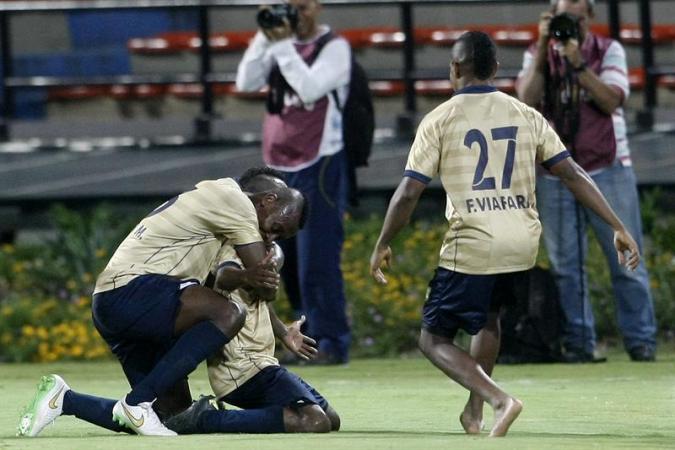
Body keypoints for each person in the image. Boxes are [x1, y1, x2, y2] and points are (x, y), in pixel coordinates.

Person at [369, 31, 640, 437]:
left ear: (454, 69)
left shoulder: (440, 119)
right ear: (496, 70)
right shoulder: (526, 113)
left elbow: (410, 191)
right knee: (489, 321)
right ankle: (475, 414)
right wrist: (618, 225)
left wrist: (383, 242)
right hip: (522, 243)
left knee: (432, 339)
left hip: (474, 241)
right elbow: (572, 173)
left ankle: (499, 400)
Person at [18, 168, 307, 437]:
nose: (272, 237)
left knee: (173, 417)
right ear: (267, 200)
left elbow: (239, 280)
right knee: (229, 313)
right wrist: (269, 262)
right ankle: (137, 402)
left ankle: (65, 400)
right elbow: (264, 284)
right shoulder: (238, 204)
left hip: (116, 303)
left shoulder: (215, 203)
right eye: (277, 227)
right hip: (134, 293)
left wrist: (281, 331)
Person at [516, 0, 656, 362]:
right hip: (555, 172)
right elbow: (526, 100)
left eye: (576, 18)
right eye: (564, 17)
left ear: (590, 17)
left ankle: (641, 341)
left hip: (608, 166)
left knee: (626, 258)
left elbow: (612, 101)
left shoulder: (609, 50)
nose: (571, 25)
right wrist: (544, 49)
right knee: (566, 268)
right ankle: (580, 343)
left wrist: (577, 63)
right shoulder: (537, 52)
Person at [236, 0, 352, 364]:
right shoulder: (278, 45)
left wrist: (282, 45)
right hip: (278, 167)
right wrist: (264, 35)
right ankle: (303, 338)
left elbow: (309, 89)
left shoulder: (335, 48)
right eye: (288, 8)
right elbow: (245, 81)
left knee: (317, 259)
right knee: (284, 260)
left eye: (301, 7)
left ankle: (331, 340)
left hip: (319, 163)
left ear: (317, 7)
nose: (295, 15)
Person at [165, 239, 340, 434]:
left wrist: (283, 332)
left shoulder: (258, 245)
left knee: (331, 419)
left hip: (263, 364)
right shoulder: (235, 246)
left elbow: (259, 298)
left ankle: (260, 418)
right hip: (243, 369)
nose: (279, 233)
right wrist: (247, 275)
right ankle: (203, 418)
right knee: (314, 421)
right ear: (264, 206)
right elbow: (224, 276)